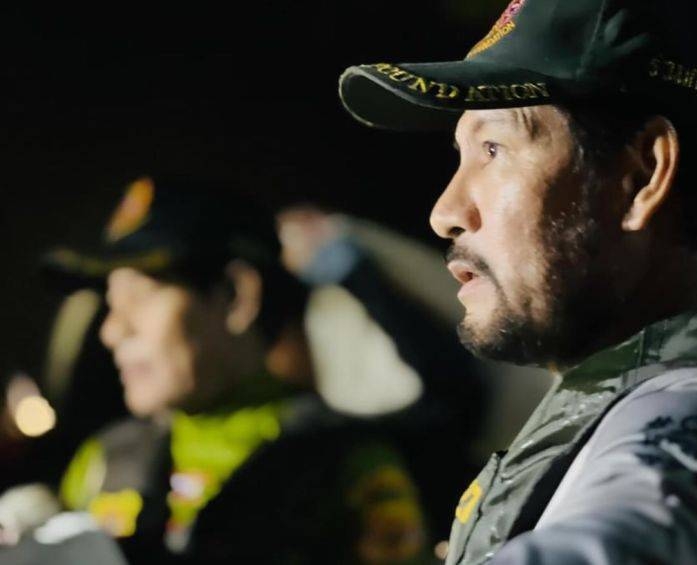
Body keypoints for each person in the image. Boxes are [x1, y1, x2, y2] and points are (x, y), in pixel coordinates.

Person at [338, 0, 697, 563]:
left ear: (641, 176)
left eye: (493, 148)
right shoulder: (676, 406)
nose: (445, 212)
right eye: (461, 155)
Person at [30, 176, 462, 564]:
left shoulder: (346, 469)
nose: (112, 331)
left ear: (237, 295)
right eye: (110, 302)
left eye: (140, 296)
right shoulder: (103, 461)